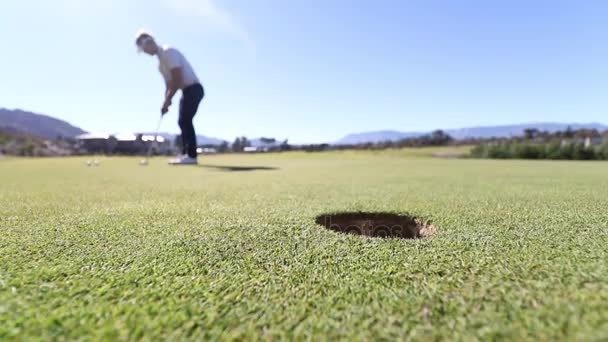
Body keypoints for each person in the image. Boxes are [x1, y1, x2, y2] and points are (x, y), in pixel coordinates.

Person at [135, 30, 204, 165]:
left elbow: (177, 79)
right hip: (186, 91)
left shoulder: (168, 52)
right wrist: (166, 101)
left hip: (194, 88)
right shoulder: (160, 65)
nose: (145, 52)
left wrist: (168, 100)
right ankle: (186, 154)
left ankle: (191, 155)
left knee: (185, 120)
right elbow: (169, 85)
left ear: (149, 42)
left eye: (144, 48)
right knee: (182, 121)